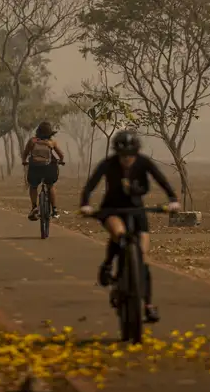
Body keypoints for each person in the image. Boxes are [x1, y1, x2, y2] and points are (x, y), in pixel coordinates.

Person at [79, 129, 180, 324]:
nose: (127, 159)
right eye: (123, 156)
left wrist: (173, 200)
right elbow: (90, 185)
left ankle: (148, 305)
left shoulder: (144, 162)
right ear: (117, 153)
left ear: (136, 152)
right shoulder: (108, 164)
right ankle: (108, 264)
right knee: (120, 234)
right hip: (112, 209)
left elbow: (161, 180)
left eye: (131, 156)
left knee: (143, 259)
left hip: (136, 210)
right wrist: (85, 205)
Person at [22, 121, 66, 221]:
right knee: (50, 185)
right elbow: (61, 155)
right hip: (48, 170)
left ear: (38, 131)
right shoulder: (51, 142)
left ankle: (34, 207)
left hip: (35, 169)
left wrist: (24, 161)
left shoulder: (32, 141)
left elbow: (25, 153)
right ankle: (54, 210)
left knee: (33, 186)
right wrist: (61, 162)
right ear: (50, 132)